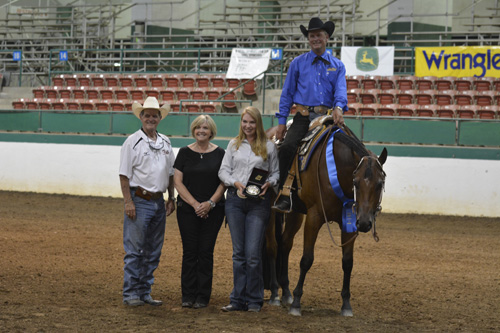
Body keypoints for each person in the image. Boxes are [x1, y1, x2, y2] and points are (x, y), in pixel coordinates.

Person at [272, 17, 348, 213]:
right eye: (312, 35)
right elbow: (287, 93)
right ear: (308, 39)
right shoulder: (297, 63)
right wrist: (281, 122)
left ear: (326, 37)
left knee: (347, 150)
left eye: (319, 35)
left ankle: (347, 194)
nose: (315, 39)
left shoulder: (337, 66)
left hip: (328, 117)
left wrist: (339, 107)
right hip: (303, 116)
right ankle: (283, 193)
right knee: (288, 146)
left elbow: (341, 91)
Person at [218, 106, 279, 313]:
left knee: (253, 254)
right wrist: (235, 183)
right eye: (245, 122)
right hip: (235, 201)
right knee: (239, 254)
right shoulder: (233, 145)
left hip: (258, 203)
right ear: (241, 123)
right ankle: (237, 299)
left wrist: (268, 184)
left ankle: (254, 300)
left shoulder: (269, 147)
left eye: (252, 122)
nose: (248, 126)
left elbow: (275, 174)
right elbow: (223, 171)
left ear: (258, 123)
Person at [119, 96, 176, 306]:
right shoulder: (132, 142)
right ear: (141, 117)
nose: (151, 119)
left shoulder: (166, 142)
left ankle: (144, 291)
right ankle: (132, 293)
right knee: (135, 250)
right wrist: (128, 201)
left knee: (152, 250)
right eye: (147, 115)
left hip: (159, 201)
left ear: (160, 118)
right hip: (139, 200)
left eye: (155, 115)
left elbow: (170, 174)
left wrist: (172, 197)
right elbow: (124, 175)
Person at [173, 115, 226, 309]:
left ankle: (203, 296)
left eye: (205, 128)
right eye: (197, 128)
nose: (201, 131)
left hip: (214, 211)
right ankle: (188, 295)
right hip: (187, 210)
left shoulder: (221, 153)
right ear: (193, 130)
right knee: (189, 252)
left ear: (211, 131)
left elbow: (224, 182)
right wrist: (196, 204)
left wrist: (210, 203)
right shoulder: (184, 152)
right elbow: (177, 181)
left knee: (205, 252)